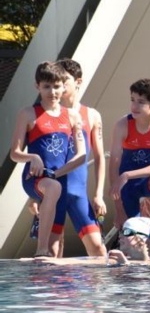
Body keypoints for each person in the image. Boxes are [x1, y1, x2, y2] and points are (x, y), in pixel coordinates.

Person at [9, 61, 86, 257]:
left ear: (63, 86)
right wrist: (32, 156)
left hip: (58, 178)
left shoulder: (73, 116)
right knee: (53, 187)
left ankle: (48, 256)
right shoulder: (28, 113)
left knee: (59, 242)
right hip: (34, 178)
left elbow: (81, 155)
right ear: (38, 87)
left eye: (57, 86)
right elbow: (15, 153)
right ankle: (40, 251)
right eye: (46, 87)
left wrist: (56, 173)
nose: (52, 92)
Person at [56, 58, 107, 257]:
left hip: (78, 193)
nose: (59, 85)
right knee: (54, 249)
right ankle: (50, 289)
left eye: (64, 80)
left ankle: (99, 289)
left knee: (98, 249)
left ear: (78, 82)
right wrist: (35, 196)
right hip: (53, 192)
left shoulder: (92, 115)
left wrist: (98, 194)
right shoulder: (49, 114)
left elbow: (100, 157)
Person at [108, 78, 150, 230]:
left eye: (141, 102)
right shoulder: (122, 125)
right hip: (127, 187)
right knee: (132, 234)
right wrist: (119, 209)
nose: (134, 106)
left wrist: (128, 174)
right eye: (132, 100)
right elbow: (113, 168)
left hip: (147, 181)